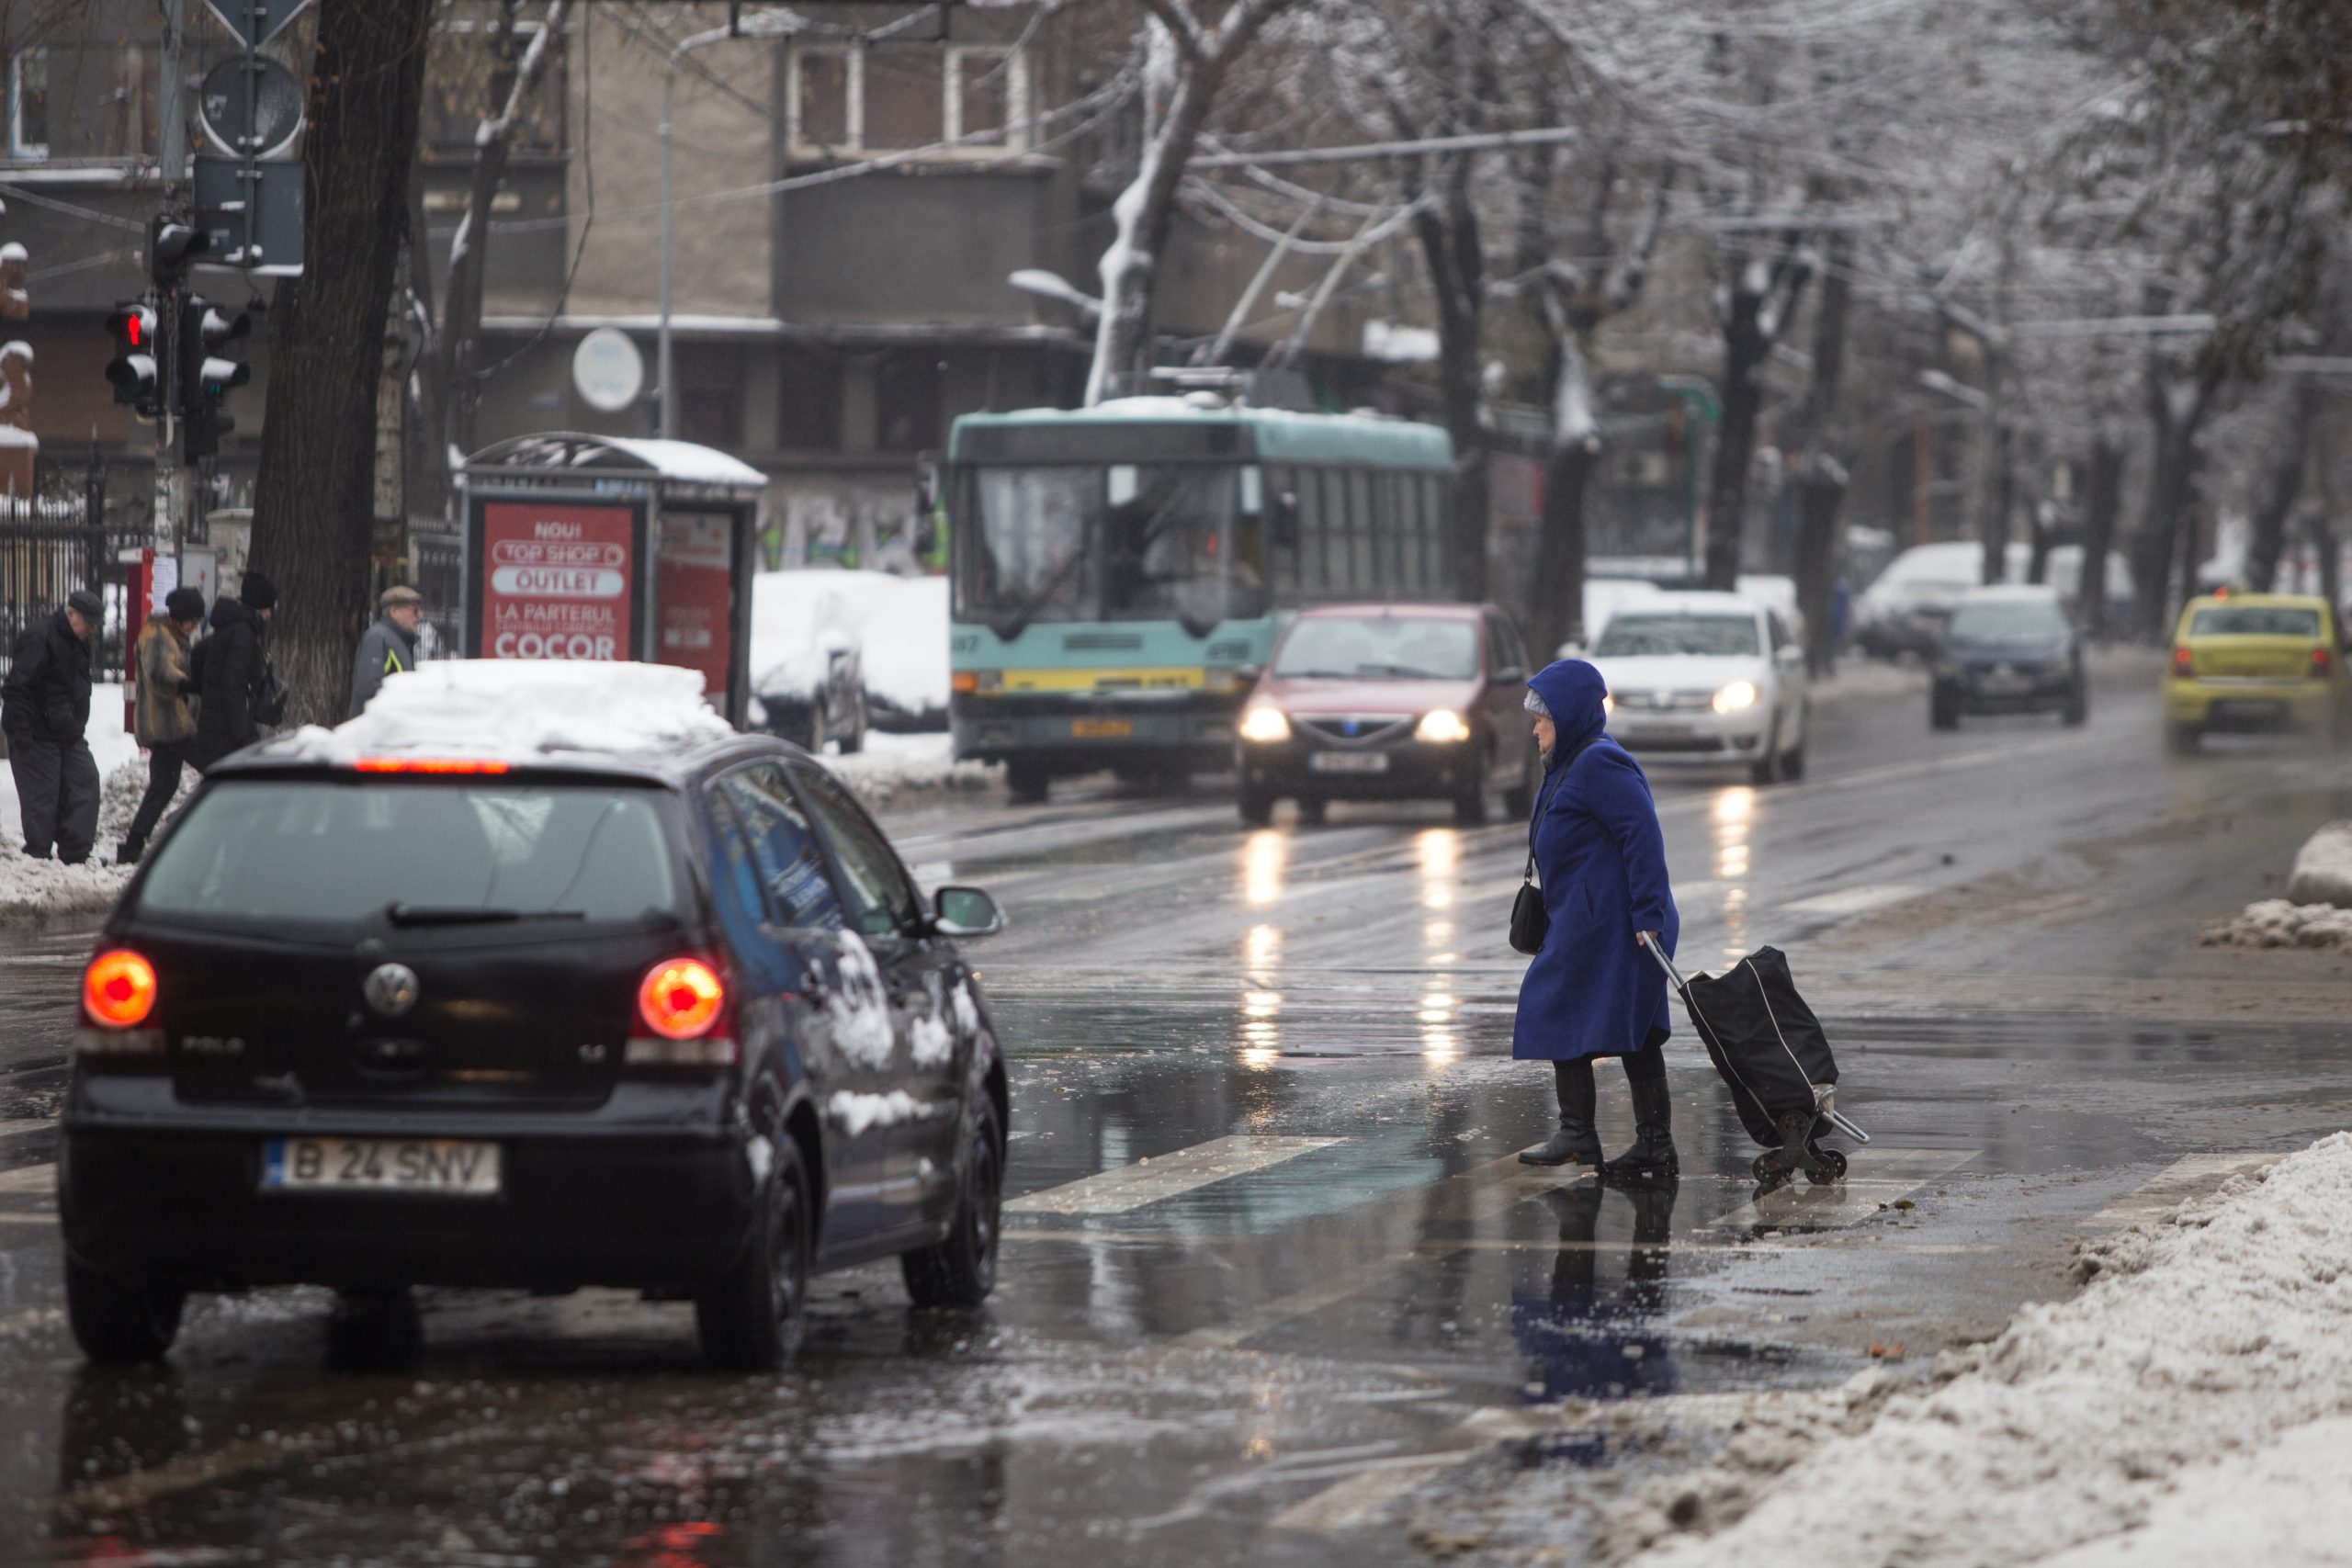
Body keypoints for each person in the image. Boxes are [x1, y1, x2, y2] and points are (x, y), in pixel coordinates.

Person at [1513, 659, 1683, 1178]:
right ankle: (1648, 1143)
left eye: (1542, 719)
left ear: (1565, 715)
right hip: (1591, 920)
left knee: (1562, 1006)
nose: (1536, 729)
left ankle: (1581, 1134)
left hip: (1620, 924)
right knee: (1635, 1030)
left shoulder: (1598, 764)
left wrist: (1649, 914)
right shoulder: (1569, 762)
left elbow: (1643, 836)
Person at [1, 587, 103, 863]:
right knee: (42, 798)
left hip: (68, 733)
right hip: (35, 733)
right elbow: (17, 687)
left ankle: (76, 853)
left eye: (95, 625)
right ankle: (39, 856)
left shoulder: (78, 639)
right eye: (88, 623)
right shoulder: (40, 636)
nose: (92, 629)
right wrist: (21, 734)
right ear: (70, 613)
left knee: (85, 782)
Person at [119, 586, 207, 865]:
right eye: (193, 620)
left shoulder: (174, 635)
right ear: (182, 617)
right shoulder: (157, 635)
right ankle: (179, 828)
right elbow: (160, 673)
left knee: (163, 786)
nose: (194, 626)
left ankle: (133, 846)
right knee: (216, 770)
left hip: (170, 726)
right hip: (169, 726)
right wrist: (188, 684)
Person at [193, 572, 277, 770]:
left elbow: (199, 652)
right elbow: (233, 683)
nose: (270, 614)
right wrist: (241, 732)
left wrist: (202, 689)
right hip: (227, 732)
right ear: (259, 606)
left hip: (215, 724)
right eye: (269, 607)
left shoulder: (229, 625)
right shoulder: (243, 633)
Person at [348, 583, 424, 716]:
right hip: (377, 732)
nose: (420, 616)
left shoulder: (397, 641)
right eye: (415, 610)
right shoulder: (378, 638)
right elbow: (369, 689)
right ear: (394, 612)